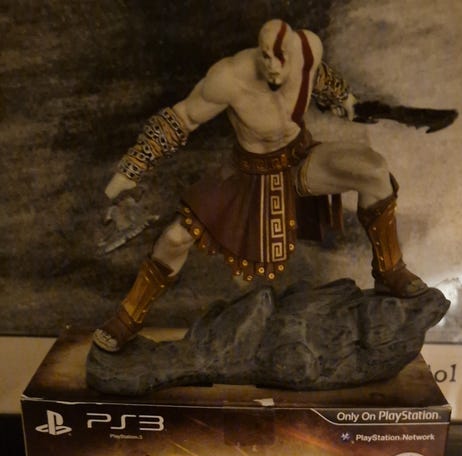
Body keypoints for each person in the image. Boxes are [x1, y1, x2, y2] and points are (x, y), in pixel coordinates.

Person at [93, 19, 427, 354]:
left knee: (374, 170)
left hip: (298, 160)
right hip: (247, 176)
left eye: (282, 59)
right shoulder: (229, 77)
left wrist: (349, 103)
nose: (273, 67)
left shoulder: (308, 50)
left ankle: (390, 270)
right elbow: (183, 118)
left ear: (295, 51)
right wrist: (133, 167)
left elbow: (321, 79)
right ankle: (128, 317)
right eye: (266, 57)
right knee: (174, 238)